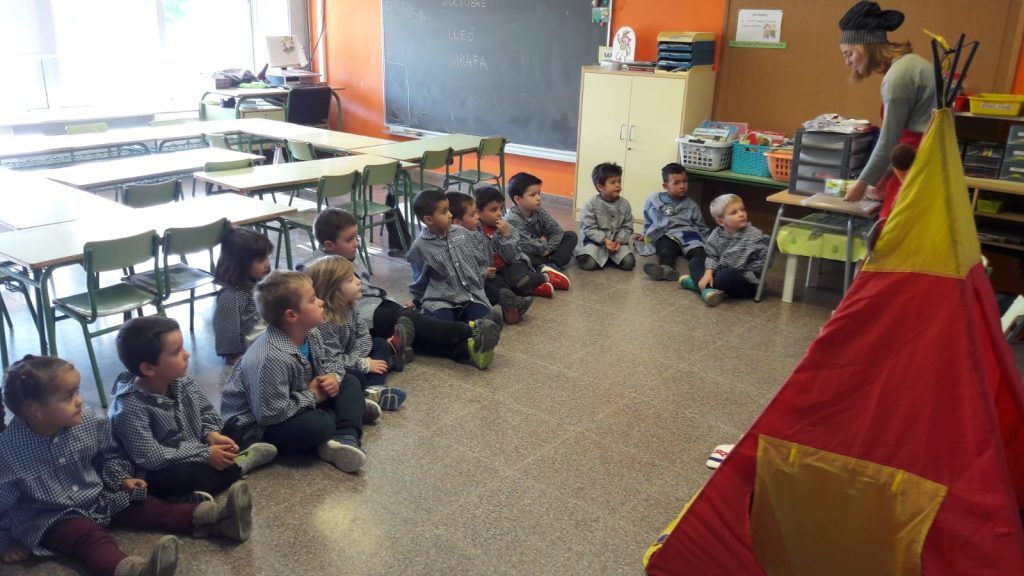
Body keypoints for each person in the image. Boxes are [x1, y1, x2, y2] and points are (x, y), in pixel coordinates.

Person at [0, 355, 251, 576]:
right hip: (50, 516)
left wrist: (121, 480)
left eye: (77, 392)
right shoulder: (9, 453)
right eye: (68, 396)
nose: (79, 401)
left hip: (97, 495)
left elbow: (107, 456)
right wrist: (6, 542)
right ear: (35, 410)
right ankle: (130, 570)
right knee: (88, 537)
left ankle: (217, 518)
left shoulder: (87, 422)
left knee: (145, 505)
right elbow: (2, 503)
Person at [300, 207, 500, 370]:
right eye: (349, 239)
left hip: (374, 302)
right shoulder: (314, 269)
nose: (356, 243)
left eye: (356, 237)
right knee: (407, 319)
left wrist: (392, 300)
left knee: (412, 330)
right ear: (329, 245)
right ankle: (469, 330)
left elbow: (367, 285)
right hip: (358, 316)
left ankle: (465, 350)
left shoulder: (344, 251)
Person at [109, 316, 277, 501]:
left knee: (234, 429)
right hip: (163, 466)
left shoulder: (181, 380)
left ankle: (221, 470)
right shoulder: (129, 407)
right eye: (176, 352)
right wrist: (205, 455)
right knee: (178, 478)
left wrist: (211, 435)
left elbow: (206, 412)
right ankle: (237, 465)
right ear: (148, 368)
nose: (187, 354)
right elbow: (150, 456)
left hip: (195, 446)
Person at [220, 271, 372, 474]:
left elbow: (328, 363)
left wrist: (332, 377)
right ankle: (348, 414)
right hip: (259, 426)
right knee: (319, 426)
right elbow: (269, 415)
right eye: (313, 299)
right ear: (292, 316)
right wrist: (313, 396)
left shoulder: (312, 333)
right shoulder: (270, 357)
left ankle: (345, 436)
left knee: (351, 380)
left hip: (297, 399)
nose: (321, 302)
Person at [838, 0, 935, 218]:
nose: (847, 62)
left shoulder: (898, 76)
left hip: (915, 163)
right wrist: (883, 176)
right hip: (914, 159)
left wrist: (863, 183)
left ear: (866, 47)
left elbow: (890, 139)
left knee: (893, 228)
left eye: (849, 54)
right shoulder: (911, 64)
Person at [406, 189, 502, 369]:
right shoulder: (419, 248)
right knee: (443, 327)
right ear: (428, 220)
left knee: (484, 317)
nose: (450, 215)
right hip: (441, 300)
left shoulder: (461, 232)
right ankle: (471, 345)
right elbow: (419, 280)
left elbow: (478, 258)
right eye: (444, 211)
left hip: (470, 296)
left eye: (449, 209)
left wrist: (481, 273)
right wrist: (417, 301)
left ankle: (479, 334)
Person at [306, 256, 408, 411]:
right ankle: (379, 376)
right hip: (333, 367)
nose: (359, 281)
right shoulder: (325, 322)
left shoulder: (351, 306)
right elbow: (331, 360)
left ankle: (375, 388)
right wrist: (363, 364)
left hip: (350, 355)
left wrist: (361, 359)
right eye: (350, 280)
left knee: (379, 343)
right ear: (333, 290)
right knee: (355, 377)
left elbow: (364, 336)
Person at [448, 192, 533, 325]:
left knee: (501, 281)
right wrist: (483, 272)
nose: (478, 217)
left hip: (491, 273)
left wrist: (506, 236)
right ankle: (510, 306)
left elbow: (508, 256)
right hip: (470, 284)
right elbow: (460, 270)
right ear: (458, 223)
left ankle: (509, 305)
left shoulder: (477, 233)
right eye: (473, 214)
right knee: (487, 289)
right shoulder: (454, 241)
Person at [475, 186, 570, 299]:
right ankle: (532, 287)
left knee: (518, 279)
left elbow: (512, 257)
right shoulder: (473, 230)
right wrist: (483, 271)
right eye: (493, 210)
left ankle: (545, 276)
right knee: (499, 288)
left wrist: (507, 235)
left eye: (501, 208)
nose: (499, 213)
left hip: (510, 265)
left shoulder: (508, 227)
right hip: (491, 272)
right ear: (479, 212)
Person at [678, 194, 770, 307]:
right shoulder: (717, 234)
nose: (741, 214)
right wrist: (708, 273)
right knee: (695, 261)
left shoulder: (755, 235)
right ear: (721, 222)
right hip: (719, 271)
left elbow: (763, 264)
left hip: (745, 281)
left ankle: (698, 285)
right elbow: (712, 255)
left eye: (742, 210)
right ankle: (708, 289)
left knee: (727, 274)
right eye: (734, 212)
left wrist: (741, 267)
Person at [638, 163, 710, 282]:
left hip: (688, 235)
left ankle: (702, 276)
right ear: (665, 186)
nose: (682, 186)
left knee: (699, 253)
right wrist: (646, 235)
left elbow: (702, 227)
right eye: (676, 183)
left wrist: (709, 245)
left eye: (685, 181)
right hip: (667, 234)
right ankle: (666, 269)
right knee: (665, 250)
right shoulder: (653, 200)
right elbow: (648, 220)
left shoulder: (692, 205)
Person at [213, 228, 274, 364]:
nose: (267, 264)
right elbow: (226, 328)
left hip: (265, 333)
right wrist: (232, 355)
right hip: (251, 344)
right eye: (260, 260)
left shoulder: (257, 281)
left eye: (267, 257)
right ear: (240, 264)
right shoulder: (231, 295)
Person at [575, 162, 642, 271]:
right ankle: (595, 256)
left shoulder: (625, 204)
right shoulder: (591, 204)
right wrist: (605, 240)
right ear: (600, 187)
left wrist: (618, 241)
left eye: (619, 181)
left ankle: (608, 257)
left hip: (616, 243)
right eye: (613, 182)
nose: (618, 185)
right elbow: (588, 228)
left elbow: (627, 227)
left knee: (629, 263)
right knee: (589, 264)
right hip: (595, 243)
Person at [504, 172, 579, 269]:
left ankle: (553, 265)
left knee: (570, 236)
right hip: (530, 253)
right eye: (533, 195)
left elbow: (557, 231)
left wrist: (548, 249)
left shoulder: (539, 210)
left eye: (539, 193)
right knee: (521, 256)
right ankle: (551, 263)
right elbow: (529, 246)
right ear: (518, 199)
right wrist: (544, 240)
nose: (539, 198)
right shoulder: (512, 219)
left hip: (544, 250)